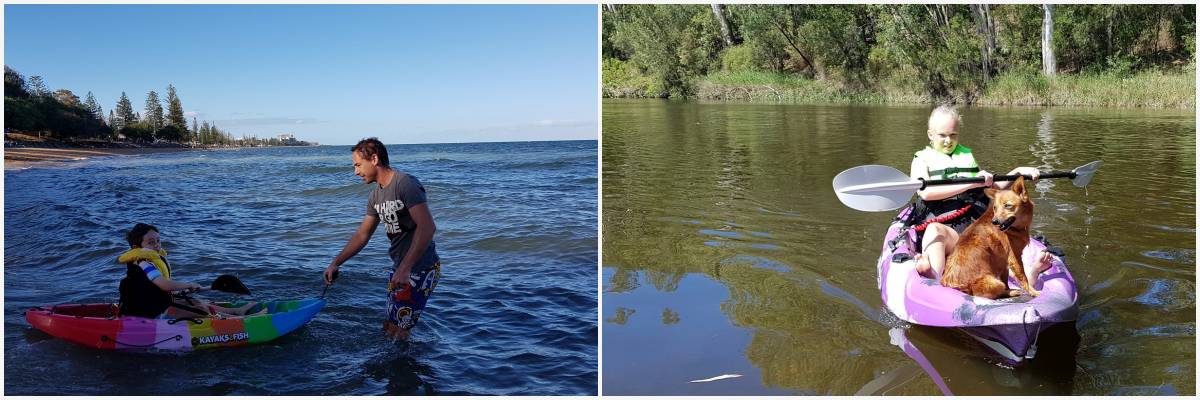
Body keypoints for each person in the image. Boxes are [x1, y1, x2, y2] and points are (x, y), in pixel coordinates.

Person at [909, 105, 1052, 284]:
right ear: (930, 134)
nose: (948, 140)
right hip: (949, 233)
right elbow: (927, 193)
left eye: (953, 135)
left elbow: (991, 190)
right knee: (934, 230)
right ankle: (934, 278)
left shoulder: (966, 155)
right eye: (942, 135)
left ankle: (1028, 275)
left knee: (1000, 230)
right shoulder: (921, 159)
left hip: (974, 230)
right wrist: (969, 182)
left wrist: (1017, 172)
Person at [323, 137, 441, 341]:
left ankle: (407, 369)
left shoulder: (405, 184)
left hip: (420, 268)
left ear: (374, 159)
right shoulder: (376, 196)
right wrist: (336, 262)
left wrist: (405, 268)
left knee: (400, 331)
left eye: (358, 165)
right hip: (400, 269)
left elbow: (427, 227)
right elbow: (363, 234)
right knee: (388, 326)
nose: (356, 172)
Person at [117, 223, 259, 319]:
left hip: (155, 304)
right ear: (136, 247)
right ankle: (240, 320)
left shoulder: (151, 261)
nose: (157, 245)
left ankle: (236, 312)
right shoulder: (144, 263)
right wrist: (188, 284)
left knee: (195, 301)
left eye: (158, 241)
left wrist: (184, 291)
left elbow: (159, 290)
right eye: (151, 242)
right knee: (201, 309)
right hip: (147, 312)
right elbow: (164, 285)